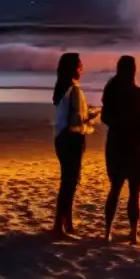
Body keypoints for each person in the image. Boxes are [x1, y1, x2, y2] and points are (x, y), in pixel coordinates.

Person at [100, 55, 140, 244]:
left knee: (114, 189)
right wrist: (136, 127)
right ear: (134, 71)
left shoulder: (111, 92)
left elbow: (105, 118)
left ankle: (107, 231)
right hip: (136, 146)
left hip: (115, 145)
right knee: (134, 192)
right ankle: (133, 234)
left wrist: (120, 124)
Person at [52, 52, 98, 239]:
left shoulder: (62, 88)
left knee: (67, 181)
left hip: (60, 138)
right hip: (72, 139)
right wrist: (92, 120)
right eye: (80, 66)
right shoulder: (75, 89)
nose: (82, 68)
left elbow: (70, 115)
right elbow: (77, 121)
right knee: (70, 183)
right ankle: (61, 227)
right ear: (74, 68)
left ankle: (65, 223)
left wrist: (88, 113)